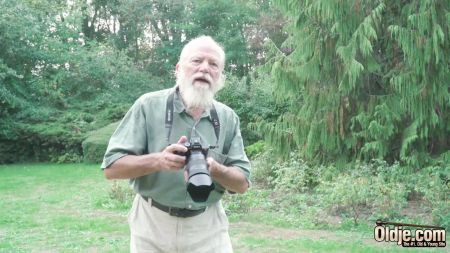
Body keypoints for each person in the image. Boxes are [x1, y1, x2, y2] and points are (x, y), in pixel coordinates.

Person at [101, 35, 251, 253]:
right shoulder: (148, 106)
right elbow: (111, 168)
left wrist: (215, 169)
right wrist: (158, 161)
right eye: (197, 61)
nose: (205, 69)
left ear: (220, 75)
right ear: (179, 68)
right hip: (152, 223)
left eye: (213, 64)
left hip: (208, 226)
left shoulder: (228, 118)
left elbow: (242, 184)